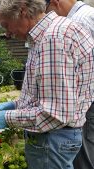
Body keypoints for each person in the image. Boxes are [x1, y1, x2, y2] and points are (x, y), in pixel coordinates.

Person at [0, 0, 94, 168]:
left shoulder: (53, 38)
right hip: (58, 137)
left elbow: (55, 114)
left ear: (22, 11)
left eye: (6, 25)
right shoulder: (49, 33)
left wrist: (7, 118)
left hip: (51, 139)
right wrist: (16, 105)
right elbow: (48, 93)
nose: (7, 33)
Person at [44, 0, 94, 168]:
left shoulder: (76, 23)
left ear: (55, 2)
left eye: (47, 11)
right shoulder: (89, 13)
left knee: (84, 157)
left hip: (87, 103)